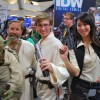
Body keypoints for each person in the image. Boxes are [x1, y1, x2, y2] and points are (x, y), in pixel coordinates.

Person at [59, 12, 100, 100]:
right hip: (80, 89)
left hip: (98, 89)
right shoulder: (73, 45)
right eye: (79, 25)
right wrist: (65, 59)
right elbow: (76, 73)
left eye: (85, 24)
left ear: (91, 25)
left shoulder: (98, 43)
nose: (82, 28)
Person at [35, 13, 69, 100]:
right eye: (40, 25)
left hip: (50, 88)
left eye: (45, 25)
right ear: (36, 27)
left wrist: (51, 67)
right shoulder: (40, 42)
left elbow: (65, 70)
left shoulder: (56, 44)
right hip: (40, 85)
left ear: (50, 25)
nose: (43, 28)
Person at [6, 20, 37, 100]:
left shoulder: (29, 46)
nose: (14, 32)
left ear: (21, 31)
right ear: (7, 30)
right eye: (12, 29)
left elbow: (35, 66)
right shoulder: (2, 47)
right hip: (7, 86)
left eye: (17, 29)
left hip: (26, 85)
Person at [0, 36, 24, 100]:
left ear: (4, 44)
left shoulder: (9, 56)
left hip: (6, 89)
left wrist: (12, 88)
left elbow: (17, 73)